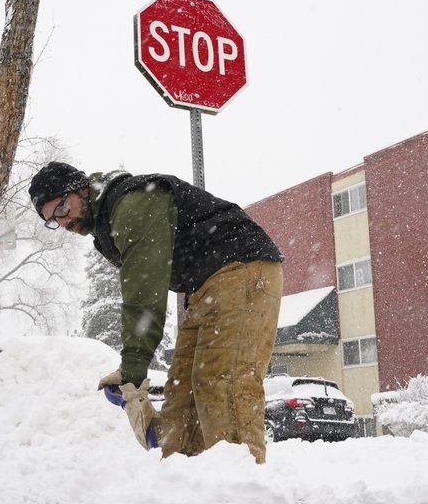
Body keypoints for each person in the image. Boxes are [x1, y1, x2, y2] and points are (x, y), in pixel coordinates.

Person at [29, 162, 283, 464]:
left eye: (61, 209)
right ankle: (188, 486)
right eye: (52, 221)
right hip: (204, 288)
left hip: (241, 269)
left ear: (81, 189)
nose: (63, 222)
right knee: (183, 398)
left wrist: (133, 369)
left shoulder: (131, 203)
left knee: (222, 382)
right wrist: (133, 395)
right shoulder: (109, 221)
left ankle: (245, 494)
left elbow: (144, 291)